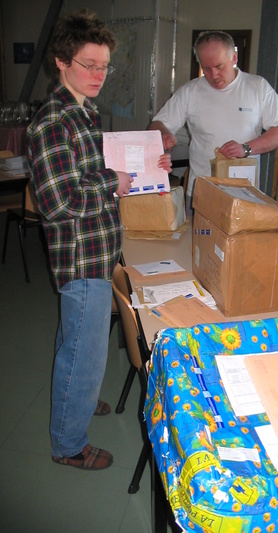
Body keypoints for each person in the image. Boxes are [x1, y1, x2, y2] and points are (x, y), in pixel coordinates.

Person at [27, 10, 171, 470]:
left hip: (98, 249)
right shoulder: (53, 122)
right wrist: (113, 183)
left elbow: (101, 171)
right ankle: (68, 444)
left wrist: (151, 169)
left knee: (76, 342)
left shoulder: (85, 112)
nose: (98, 75)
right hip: (81, 258)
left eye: (104, 65)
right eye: (88, 64)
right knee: (83, 354)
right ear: (61, 62)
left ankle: (78, 401)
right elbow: (57, 201)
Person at [149, 30, 278, 209]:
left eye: (219, 66)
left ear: (234, 58)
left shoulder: (257, 87)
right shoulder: (190, 91)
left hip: (244, 194)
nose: (214, 75)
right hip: (201, 193)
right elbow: (157, 124)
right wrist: (163, 133)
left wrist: (245, 149)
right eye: (206, 69)